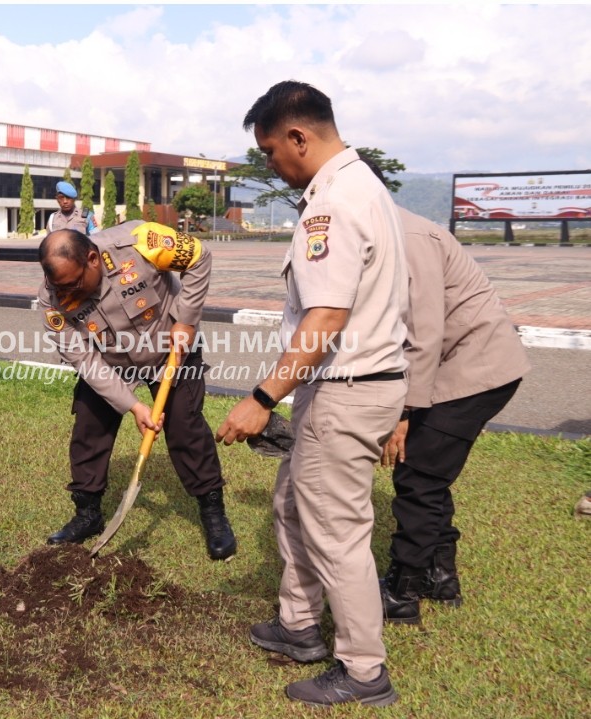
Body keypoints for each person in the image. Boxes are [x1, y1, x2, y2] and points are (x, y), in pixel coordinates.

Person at [215, 81, 409, 707]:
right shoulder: (360, 189)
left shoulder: (334, 204)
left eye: (270, 150)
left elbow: (325, 320)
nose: (269, 163)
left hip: (346, 391)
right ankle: (298, 626)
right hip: (348, 388)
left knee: (337, 533)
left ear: (299, 136)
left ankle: (362, 670)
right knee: (294, 505)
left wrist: (262, 399)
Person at [363, 161, 531, 624]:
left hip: (474, 368)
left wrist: (403, 412)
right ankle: (440, 577)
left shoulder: (409, 238)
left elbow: (424, 332)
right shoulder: (386, 230)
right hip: (460, 365)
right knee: (428, 471)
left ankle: (403, 592)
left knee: (417, 478)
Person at [38, 221, 236, 561]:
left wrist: (186, 320)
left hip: (170, 348)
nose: (69, 292)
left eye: (75, 283)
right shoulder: (51, 297)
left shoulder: (140, 240)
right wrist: (132, 405)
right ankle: (88, 512)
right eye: (61, 286)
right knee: (89, 425)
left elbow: (200, 257)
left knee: (185, 427)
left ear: (92, 258)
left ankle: (212, 510)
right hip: (111, 361)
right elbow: (84, 359)